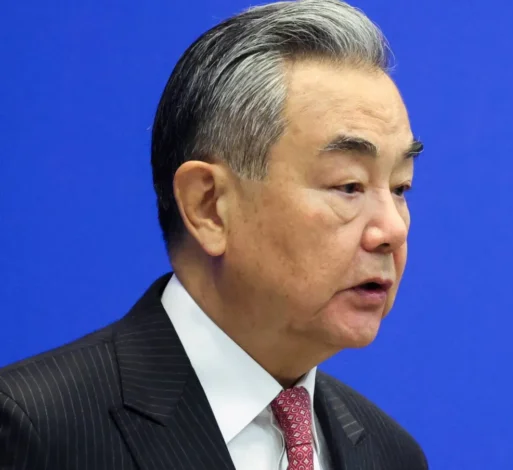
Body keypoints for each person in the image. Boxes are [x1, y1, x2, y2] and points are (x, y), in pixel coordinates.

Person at [0, 1, 427, 468]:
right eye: (349, 186)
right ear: (209, 206)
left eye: (400, 187)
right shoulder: (35, 430)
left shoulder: (391, 454)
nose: (391, 229)